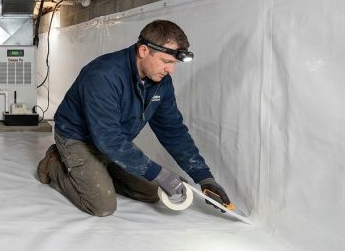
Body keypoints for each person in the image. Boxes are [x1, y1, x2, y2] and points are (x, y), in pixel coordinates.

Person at [36, 20, 231, 216]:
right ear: (144, 51)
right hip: (78, 139)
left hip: (116, 142)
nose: (171, 70)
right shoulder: (103, 75)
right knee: (102, 206)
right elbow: (108, 138)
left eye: (174, 64)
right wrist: (160, 173)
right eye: (166, 62)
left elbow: (173, 130)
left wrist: (204, 177)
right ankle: (54, 162)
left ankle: (101, 168)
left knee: (155, 192)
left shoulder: (161, 82)